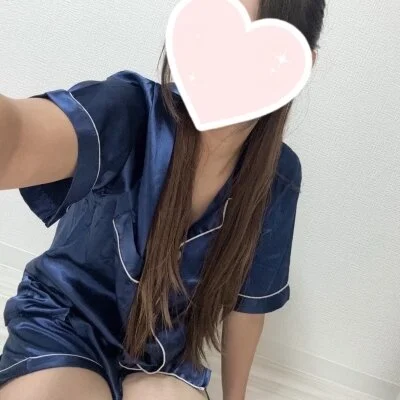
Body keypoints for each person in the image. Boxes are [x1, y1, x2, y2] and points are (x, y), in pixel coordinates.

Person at [0, 0, 326, 399]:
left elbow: (248, 306)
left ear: (300, 65)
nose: (225, 61)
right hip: (64, 324)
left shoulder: (278, 178)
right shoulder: (132, 110)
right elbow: (18, 140)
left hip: (162, 358)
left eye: (255, 47)